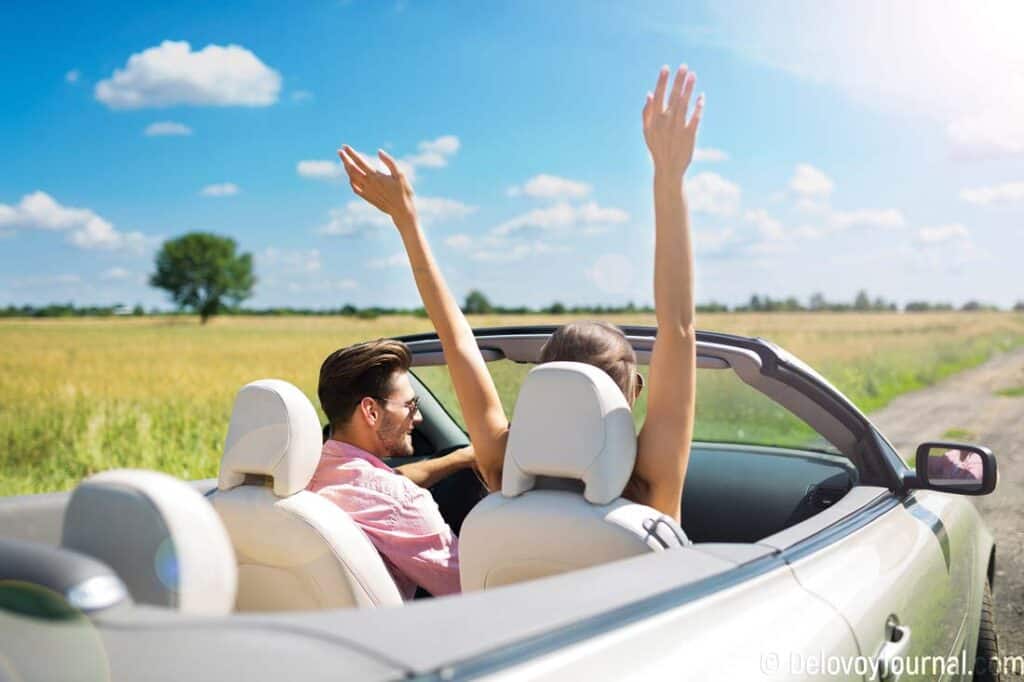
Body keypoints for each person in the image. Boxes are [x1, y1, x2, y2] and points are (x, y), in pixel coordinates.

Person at [338, 64, 702, 524]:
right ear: (634, 392)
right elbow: (678, 328)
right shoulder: (650, 484)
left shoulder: (502, 468)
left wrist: (406, 220)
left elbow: (457, 342)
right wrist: (669, 176)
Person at [308, 338, 476, 599]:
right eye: (410, 405)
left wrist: (461, 459)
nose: (417, 417)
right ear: (371, 411)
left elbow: (378, 485)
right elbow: (477, 588)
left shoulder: (305, 474)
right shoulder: (400, 503)